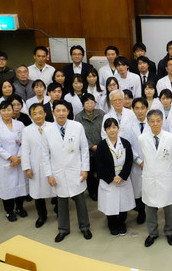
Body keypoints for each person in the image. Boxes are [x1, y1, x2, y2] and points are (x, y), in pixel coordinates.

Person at [42, 100, 92, 243]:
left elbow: (84, 149)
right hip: (58, 171)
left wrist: (85, 169)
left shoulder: (77, 126)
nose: (61, 113)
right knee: (62, 202)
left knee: (80, 201)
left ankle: (85, 227)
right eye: (58, 111)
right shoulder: (47, 130)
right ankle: (63, 229)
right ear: (53, 112)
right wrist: (49, 174)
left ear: (68, 112)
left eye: (64, 110)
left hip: (76, 170)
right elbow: (45, 155)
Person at [140, 109, 172, 247]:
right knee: (150, 208)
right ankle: (152, 233)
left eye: (158, 121)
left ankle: (169, 231)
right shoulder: (142, 138)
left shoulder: (171, 138)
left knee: (169, 207)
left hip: (165, 177)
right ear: (148, 122)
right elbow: (142, 156)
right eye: (152, 121)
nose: (155, 124)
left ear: (162, 121)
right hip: (150, 177)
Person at [96, 118, 135, 236]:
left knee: (123, 203)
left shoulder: (125, 143)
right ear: (105, 130)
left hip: (122, 178)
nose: (112, 130)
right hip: (109, 180)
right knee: (110, 204)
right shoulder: (102, 145)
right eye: (109, 128)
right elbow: (99, 165)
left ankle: (122, 223)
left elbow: (129, 161)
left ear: (118, 128)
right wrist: (112, 178)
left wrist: (122, 176)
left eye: (114, 127)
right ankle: (112, 224)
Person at [0, 100, 28, 222]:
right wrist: (11, 158)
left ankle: (20, 207)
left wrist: (18, 157)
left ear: (13, 111)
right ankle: (9, 211)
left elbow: (25, 142)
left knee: (20, 186)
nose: (6, 112)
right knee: (7, 188)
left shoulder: (20, 125)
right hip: (5, 161)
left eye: (8, 110)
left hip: (19, 159)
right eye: (3, 110)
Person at [21, 103, 56, 228]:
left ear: (45, 113)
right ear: (30, 116)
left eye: (40, 113)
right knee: (38, 192)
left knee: (56, 189)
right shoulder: (26, 130)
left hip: (53, 164)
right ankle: (42, 215)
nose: (38, 116)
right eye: (34, 114)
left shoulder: (53, 127)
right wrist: (27, 167)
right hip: (35, 165)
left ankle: (59, 210)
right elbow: (25, 150)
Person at [74, 93, 105, 201]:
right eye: (87, 103)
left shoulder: (101, 113)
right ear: (83, 104)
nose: (90, 105)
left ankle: (102, 191)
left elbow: (106, 129)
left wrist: (101, 145)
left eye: (92, 102)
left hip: (102, 149)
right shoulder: (78, 117)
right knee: (90, 173)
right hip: (87, 151)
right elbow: (79, 134)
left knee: (101, 171)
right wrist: (91, 146)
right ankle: (92, 191)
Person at [127, 98, 149, 224]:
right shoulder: (128, 126)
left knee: (150, 189)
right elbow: (128, 146)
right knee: (137, 190)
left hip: (151, 163)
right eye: (137, 108)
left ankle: (151, 212)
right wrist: (139, 161)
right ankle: (141, 212)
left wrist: (148, 161)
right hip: (136, 164)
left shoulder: (152, 123)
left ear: (147, 109)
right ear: (133, 109)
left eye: (142, 108)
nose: (140, 111)